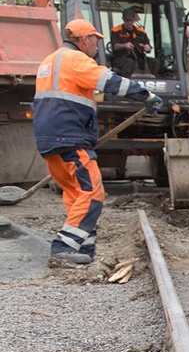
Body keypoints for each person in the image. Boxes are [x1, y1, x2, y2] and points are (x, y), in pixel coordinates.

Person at [33, 19, 163, 265]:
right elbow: (111, 82)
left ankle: (83, 250)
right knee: (92, 194)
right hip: (69, 138)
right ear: (83, 40)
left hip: (51, 140)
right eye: (95, 40)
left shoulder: (49, 61)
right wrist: (145, 94)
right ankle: (62, 248)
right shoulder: (77, 60)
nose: (97, 46)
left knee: (76, 195)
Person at [110, 7, 155, 77]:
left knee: (155, 63)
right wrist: (124, 45)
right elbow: (114, 46)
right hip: (120, 58)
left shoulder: (141, 32)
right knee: (129, 62)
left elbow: (148, 46)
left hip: (139, 58)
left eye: (131, 20)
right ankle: (125, 81)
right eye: (127, 20)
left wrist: (148, 48)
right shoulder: (116, 30)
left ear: (134, 20)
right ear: (123, 19)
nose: (129, 23)